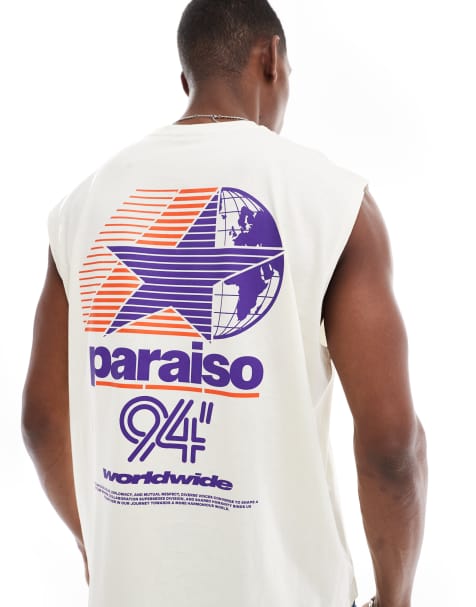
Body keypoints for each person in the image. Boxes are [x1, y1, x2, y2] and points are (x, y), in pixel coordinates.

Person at [21, 1, 427, 606]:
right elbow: (393, 446)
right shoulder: (334, 203)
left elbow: (41, 421)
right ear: (272, 60)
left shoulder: (82, 208)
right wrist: (395, 599)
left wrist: (97, 548)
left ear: (186, 78)